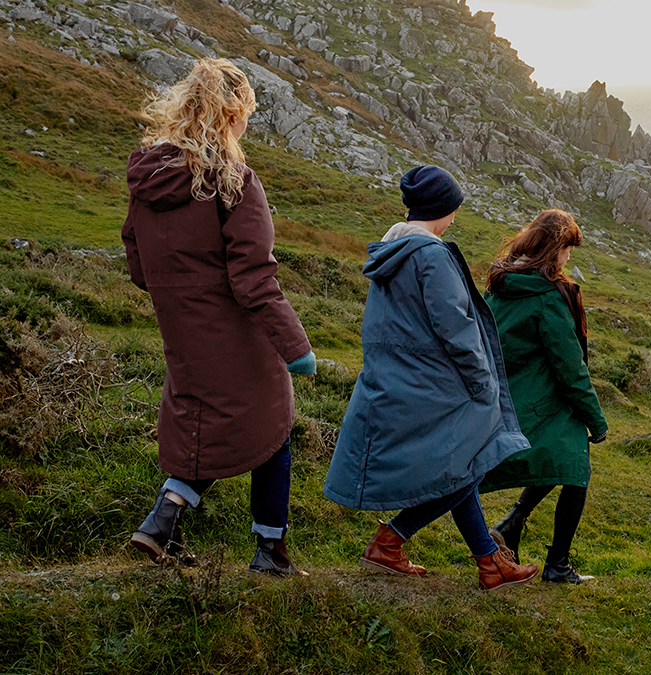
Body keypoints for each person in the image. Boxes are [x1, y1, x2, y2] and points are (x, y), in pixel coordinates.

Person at [121, 59, 315, 576]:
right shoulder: (232, 181)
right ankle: (270, 552)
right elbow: (254, 278)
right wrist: (297, 348)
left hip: (182, 333)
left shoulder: (147, 180)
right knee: (273, 426)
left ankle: (161, 523)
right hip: (235, 335)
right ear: (232, 114)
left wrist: (179, 294)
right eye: (246, 114)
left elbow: (137, 264)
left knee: (200, 427)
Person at [323, 165, 538, 591]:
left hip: (400, 379)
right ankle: (396, 542)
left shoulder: (391, 251)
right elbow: (455, 326)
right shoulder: (432, 255)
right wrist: (483, 381)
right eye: (453, 208)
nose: (455, 217)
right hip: (435, 384)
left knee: (458, 465)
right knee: (466, 462)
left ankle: (483, 562)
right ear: (442, 208)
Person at [478, 210, 608, 585]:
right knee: (576, 466)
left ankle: (512, 524)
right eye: (568, 249)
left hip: (507, 396)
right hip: (541, 400)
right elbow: (570, 367)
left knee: (560, 456)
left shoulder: (501, 283)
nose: (569, 259)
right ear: (554, 248)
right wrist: (596, 421)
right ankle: (558, 564)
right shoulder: (547, 297)